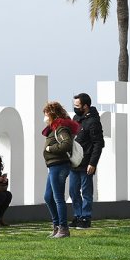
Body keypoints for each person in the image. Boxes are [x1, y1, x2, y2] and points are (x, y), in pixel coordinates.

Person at [42, 101, 80, 238]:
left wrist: (50, 149)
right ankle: (57, 226)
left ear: (52, 114)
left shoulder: (61, 128)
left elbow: (66, 145)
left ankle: (63, 229)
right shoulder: (53, 128)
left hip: (59, 166)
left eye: (46, 114)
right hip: (53, 166)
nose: (45, 117)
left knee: (58, 198)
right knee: (48, 197)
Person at [68, 92, 104, 229]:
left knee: (86, 192)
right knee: (73, 191)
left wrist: (93, 163)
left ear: (86, 106)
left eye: (77, 105)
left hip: (86, 163)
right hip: (74, 163)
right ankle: (77, 216)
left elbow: (98, 144)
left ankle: (86, 217)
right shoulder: (76, 118)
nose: (75, 107)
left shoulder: (93, 121)